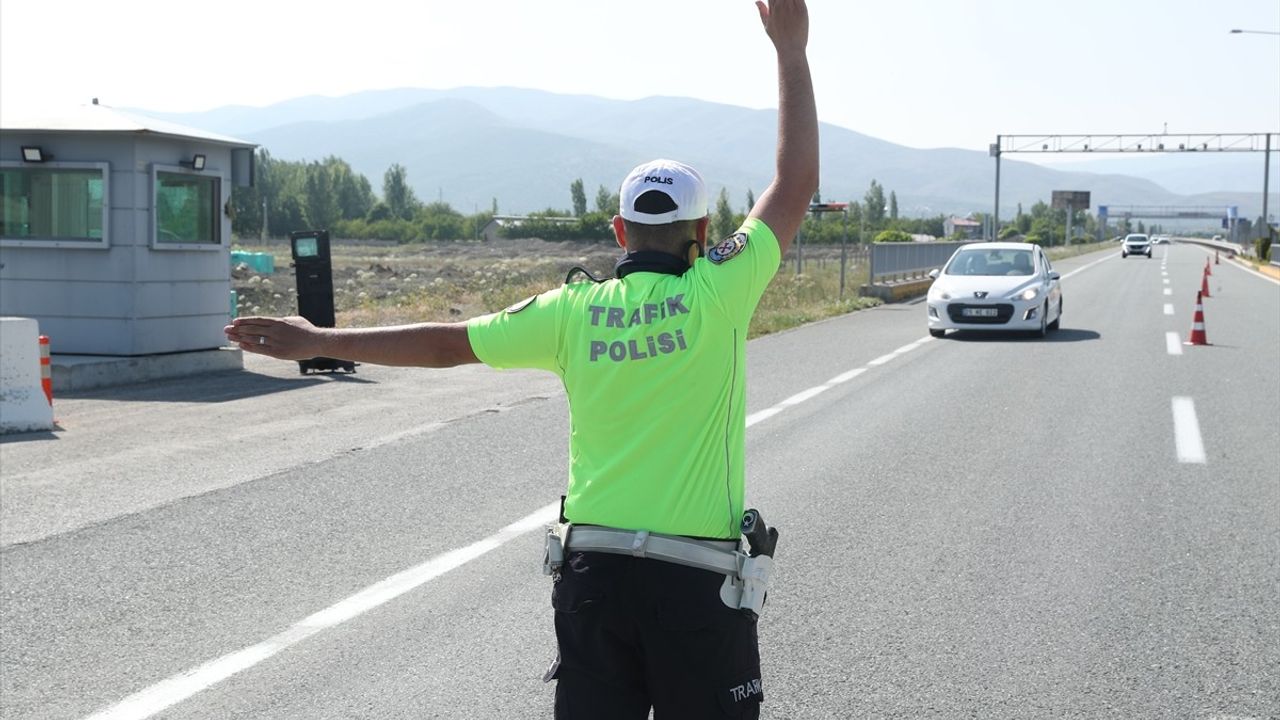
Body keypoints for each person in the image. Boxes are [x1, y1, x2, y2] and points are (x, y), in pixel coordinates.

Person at [225, 1, 816, 715]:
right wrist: (790, 50)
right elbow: (793, 182)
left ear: (619, 227)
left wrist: (317, 340)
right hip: (694, 583)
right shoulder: (719, 290)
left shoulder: (567, 311)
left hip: (594, 575)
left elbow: (446, 343)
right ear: (704, 230)